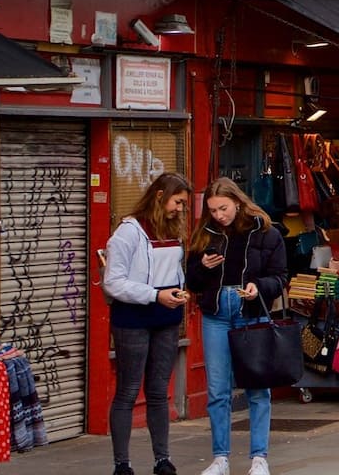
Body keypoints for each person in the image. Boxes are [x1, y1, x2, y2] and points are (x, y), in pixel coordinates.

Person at [186, 179, 286, 475]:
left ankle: (259, 457)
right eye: (213, 210)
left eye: (223, 208)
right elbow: (191, 283)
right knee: (217, 391)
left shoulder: (265, 232)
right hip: (216, 314)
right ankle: (220, 458)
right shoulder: (204, 234)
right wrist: (202, 267)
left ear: (238, 203)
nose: (219, 215)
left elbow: (281, 277)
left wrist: (259, 287)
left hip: (251, 313)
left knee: (258, 389)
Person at [103, 173, 193, 475]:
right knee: (128, 390)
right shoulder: (128, 232)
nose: (180, 209)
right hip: (133, 317)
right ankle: (121, 464)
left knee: (157, 390)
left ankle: (162, 460)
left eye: (183, 204)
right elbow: (113, 283)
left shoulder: (171, 228)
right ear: (159, 196)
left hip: (167, 316)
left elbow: (171, 268)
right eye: (177, 202)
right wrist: (155, 295)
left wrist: (179, 290)